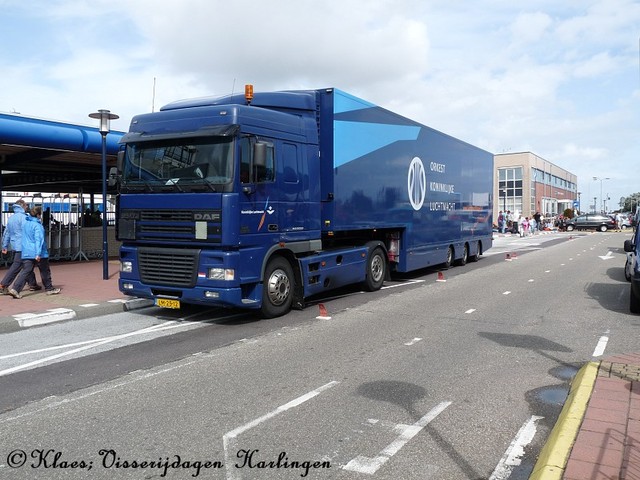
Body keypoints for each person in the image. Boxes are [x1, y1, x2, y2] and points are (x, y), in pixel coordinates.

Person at [8, 206, 60, 299]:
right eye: (40, 214)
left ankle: (15, 289)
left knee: (26, 271)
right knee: (45, 271)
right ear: (38, 215)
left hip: (26, 251)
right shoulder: (38, 226)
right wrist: (38, 253)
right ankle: (49, 288)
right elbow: (39, 240)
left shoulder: (26, 224)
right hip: (38, 252)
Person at [0, 200, 40, 294]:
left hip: (15, 246)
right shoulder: (24, 218)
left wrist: (4, 246)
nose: (27, 207)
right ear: (22, 206)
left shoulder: (11, 218)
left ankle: (33, 284)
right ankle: (3, 285)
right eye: (26, 205)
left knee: (27, 265)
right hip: (24, 246)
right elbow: (29, 231)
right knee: (19, 266)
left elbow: (7, 233)